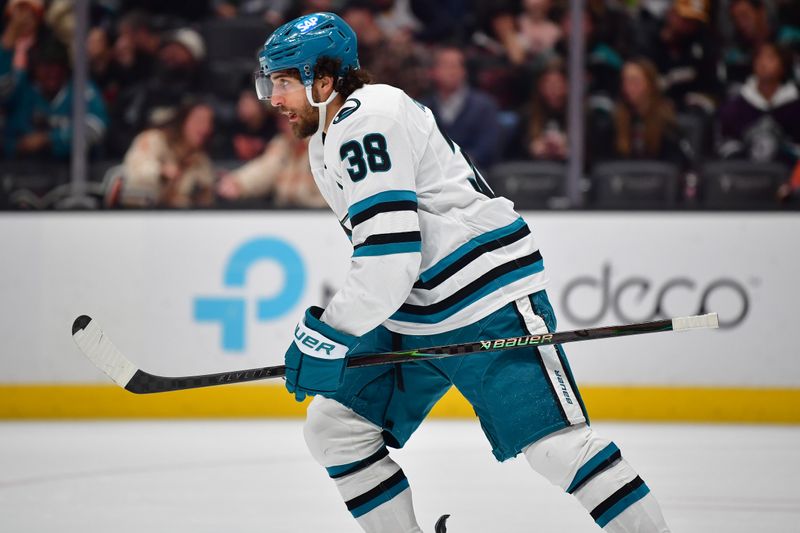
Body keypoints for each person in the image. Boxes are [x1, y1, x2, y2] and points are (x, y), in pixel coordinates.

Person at [255, 12, 672, 532]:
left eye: (284, 81)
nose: (273, 97)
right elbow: (391, 264)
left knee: (556, 449)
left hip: (484, 301)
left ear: (323, 80)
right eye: (269, 82)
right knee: (335, 428)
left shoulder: (366, 117)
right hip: (419, 309)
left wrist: (331, 334)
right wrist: (334, 333)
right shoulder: (328, 138)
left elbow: (390, 256)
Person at [120, 100, 216, 208]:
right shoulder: (154, 139)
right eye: (199, 120)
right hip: (137, 214)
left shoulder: (201, 160)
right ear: (183, 120)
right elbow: (135, 173)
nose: (205, 127)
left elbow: (207, 202)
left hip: (179, 219)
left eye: (209, 122)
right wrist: (161, 171)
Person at [216, 114, 326, 207]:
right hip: (286, 216)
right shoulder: (282, 144)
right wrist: (239, 182)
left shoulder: (321, 144)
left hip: (321, 216)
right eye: (282, 120)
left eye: (291, 118)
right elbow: (266, 168)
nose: (283, 125)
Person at [717, 42, 800, 165]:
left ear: (783, 65)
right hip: (743, 175)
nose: (763, 63)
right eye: (759, 58)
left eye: (770, 58)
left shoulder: (795, 106)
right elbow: (726, 145)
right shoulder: (736, 105)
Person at [420, 44, 501, 170]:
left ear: (464, 71)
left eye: (456, 66)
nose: (452, 71)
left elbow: (487, 149)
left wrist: (457, 165)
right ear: (432, 72)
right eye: (446, 65)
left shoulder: (484, 106)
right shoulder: (422, 108)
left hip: (474, 174)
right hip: (431, 174)